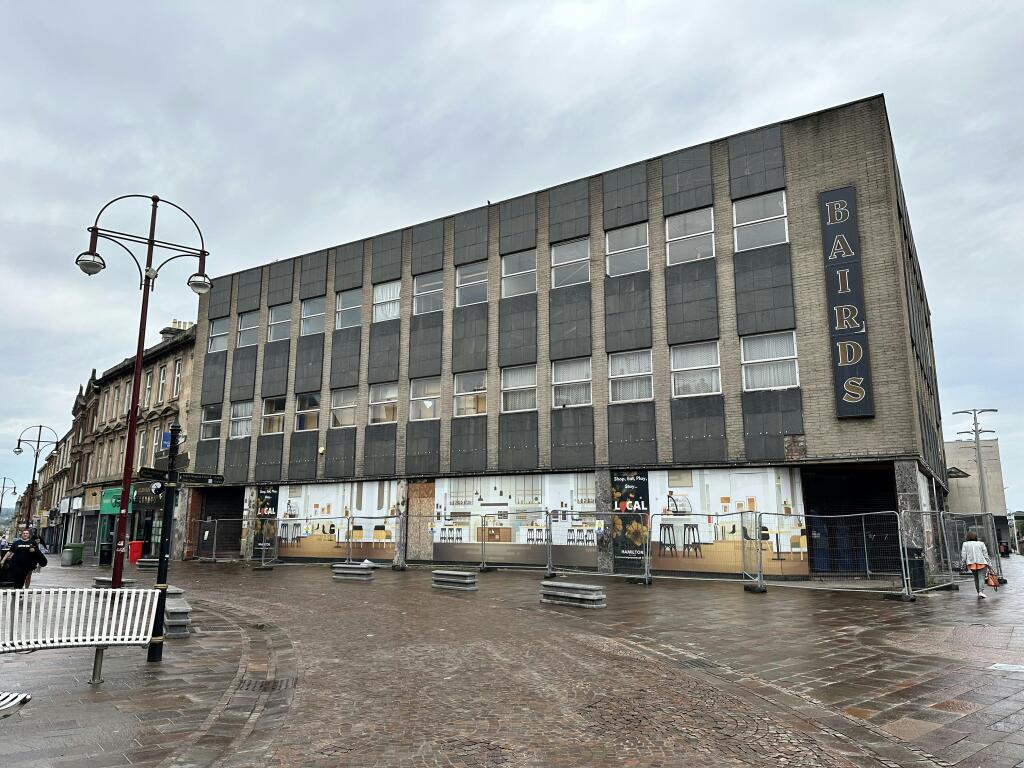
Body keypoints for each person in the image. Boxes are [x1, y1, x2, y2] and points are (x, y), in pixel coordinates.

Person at [961, 531, 992, 599]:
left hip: (971, 563)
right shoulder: (981, 543)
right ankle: (981, 592)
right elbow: (985, 555)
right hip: (982, 562)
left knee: (976, 578)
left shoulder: (965, 544)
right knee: (981, 577)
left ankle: (979, 592)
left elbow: (963, 555)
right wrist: (989, 564)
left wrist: (963, 564)